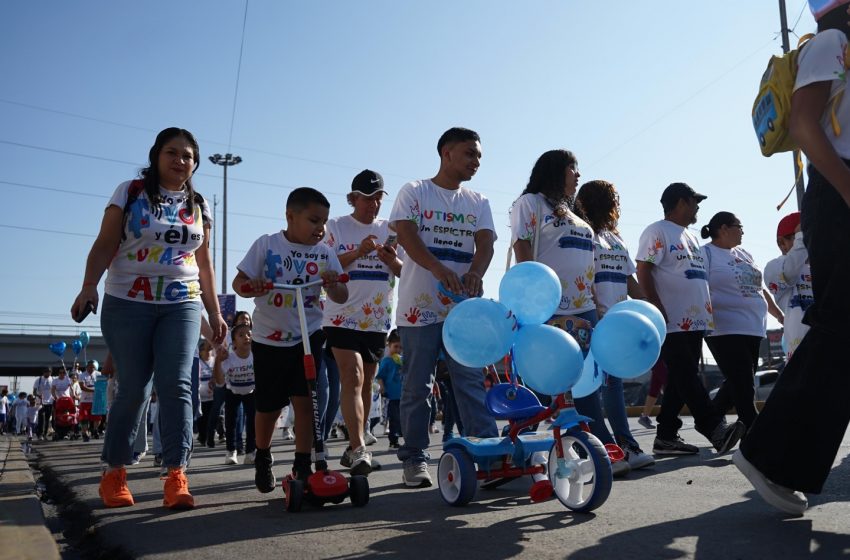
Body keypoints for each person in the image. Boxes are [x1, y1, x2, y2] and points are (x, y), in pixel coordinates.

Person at [70, 127, 226, 509]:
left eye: (188, 155)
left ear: (195, 163)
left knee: (177, 385)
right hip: (128, 301)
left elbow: (204, 264)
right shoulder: (130, 192)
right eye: (172, 152)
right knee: (135, 388)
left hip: (182, 302)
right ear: (156, 156)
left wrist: (215, 312)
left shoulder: (199, 204)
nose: (180, 160)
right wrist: (89, 286)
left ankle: (176, 474)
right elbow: (106, 242)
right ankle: (114, 473)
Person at [735, 0, 850, 516]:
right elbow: (804, 126)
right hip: (838, 190)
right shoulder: (831, 42)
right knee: (840, 325)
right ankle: (767, 455)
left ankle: (774, 456)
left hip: (839, 189)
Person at [388, 127, 499, 488]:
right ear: (446, 153)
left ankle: (487, 453)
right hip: (419, 310)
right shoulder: (415, 192)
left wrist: (475, 273)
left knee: (469, 382)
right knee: (417, 386)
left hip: (462, 311)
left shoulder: (479, 201)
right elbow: (405, 234)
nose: (476, 162)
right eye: (470, 154)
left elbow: (485, 244)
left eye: (479, 156)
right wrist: (438, 268)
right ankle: (415, 458)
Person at [510, 151, 630, 477]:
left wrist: (593, 298)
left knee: (587, 380)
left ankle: (597, 447)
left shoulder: (574, 212)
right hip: (547, 307)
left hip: (584, 307)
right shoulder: (530, 204)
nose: (578, 175)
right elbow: (522, 248)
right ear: (556, 170)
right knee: (544, 384)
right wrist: (531, 299)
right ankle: (525, 453)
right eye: (573, 169)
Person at [233, 186, 347, 493]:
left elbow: (341, 294)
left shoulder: (324, 253)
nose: (320, 228)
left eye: (324, 221)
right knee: (268, 406)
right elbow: (238, 282)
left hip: (308, 337)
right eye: (313, 220)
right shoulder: (268, 244)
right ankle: (262, 455)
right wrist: (252, 286)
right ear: (290, 216)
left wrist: (334, 284)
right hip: (269, 339)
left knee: (306, 400)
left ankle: (302, 462)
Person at [635, 183, 745, 456]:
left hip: (695, 321)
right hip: (670, 319)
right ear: (682, 202)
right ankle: (715, 429)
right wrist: (654, 304)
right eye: (695, 202)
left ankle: (666, 436)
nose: (698, 208)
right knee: (686, 374)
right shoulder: (657, 231)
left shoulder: (691, 236)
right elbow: (643, 268)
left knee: (679, 379)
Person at [322, 169, 402, 475]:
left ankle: (355, 444)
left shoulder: (391, 229)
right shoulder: (337, 227)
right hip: (341, 316)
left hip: (377, 319)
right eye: (367, 198)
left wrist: (390, 259)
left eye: (378, 198)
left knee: (366, 383)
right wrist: (359, 251)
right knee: (352, 377)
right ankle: (358, 448)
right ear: (353, 198)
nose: (373, 205)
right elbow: (324, 266)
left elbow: (403, 269)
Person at [575, 179, 656, 470]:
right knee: (594, 387)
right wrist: (594, 313)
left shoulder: (615, 239)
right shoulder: (583, 234)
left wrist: (647, 308)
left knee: (613, 385)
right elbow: (583, 277)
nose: (616, 205)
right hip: (594, 322)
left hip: (619, 325)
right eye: (613, 199)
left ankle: (624, 447)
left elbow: (629, 280)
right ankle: (606, 450)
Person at [700, 212, 782, 431]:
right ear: (724, 229)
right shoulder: (705, 253)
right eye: (739, 226)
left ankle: (711, 418)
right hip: (724, 328)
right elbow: (697, 287)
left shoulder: (744, 253)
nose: (743, 231)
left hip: (753, 327)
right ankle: (752, 427)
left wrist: (777, 313)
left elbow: (759, 288)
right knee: (743, 381)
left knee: (740, 379)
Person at [763, 212, 812, 360]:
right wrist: (801, 237)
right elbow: (789, 272)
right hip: (802, 346)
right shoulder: (774, 266)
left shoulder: (826, 264)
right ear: (782, 243)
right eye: (796, 237)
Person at [214, 323, 256, 465]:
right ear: (234, 342)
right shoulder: (229, 359)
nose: (246, 337)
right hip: (233, 392)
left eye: (249, 334)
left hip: (251, 391)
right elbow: (219, 382)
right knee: (231, 421)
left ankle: (251, 452)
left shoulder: (256, 356)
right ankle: (231, 452)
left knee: (253, 422)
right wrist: (218, 361)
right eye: (241, 335)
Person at [376, 329, 403, 449]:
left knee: (403, 417)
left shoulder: (403, 360)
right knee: (394, 418)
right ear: (389, 345)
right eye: (395, 347)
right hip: (392, 395)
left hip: (403, 394)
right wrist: (382, 388)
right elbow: (380, 376)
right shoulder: (386, 361)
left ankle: (403, 436)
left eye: (400, 347)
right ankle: (393, 440)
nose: (398, 350)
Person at [78, 360, 103, 442]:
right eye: (90, 367)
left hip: (96, 400)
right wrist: (94, 390)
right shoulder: (82, 375)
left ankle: (95, 430)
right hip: (85, 400)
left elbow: (102, 386)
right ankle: (84, 433)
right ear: (87, 367)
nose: (92, 368)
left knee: (97, 418)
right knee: (84, 418)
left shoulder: (99, 374)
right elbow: (82, 387)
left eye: (93, 367)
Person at [33, 368, 54, 440]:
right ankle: (40, 434)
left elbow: (55, 390)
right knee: (41, 418)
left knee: (48, 419)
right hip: (40, 402)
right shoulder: (38, 380)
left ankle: (45, 434)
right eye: (46, 372)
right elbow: (34, 392)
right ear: (43, 372)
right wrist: (38, 395)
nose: (48, 373)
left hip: (50, 402)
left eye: (49, 372)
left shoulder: (53, 379)